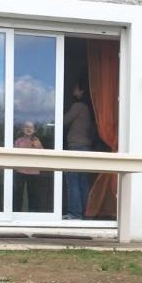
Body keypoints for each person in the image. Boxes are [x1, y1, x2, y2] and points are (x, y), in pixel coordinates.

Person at [62, 80, 94, 219]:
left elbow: (63, 121)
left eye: (75, 87)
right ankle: (86, 213)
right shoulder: (88, 108)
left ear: (81, 91)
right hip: (85, 147)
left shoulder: (78, 106)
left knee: (73, 181)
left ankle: (75, 213)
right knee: (82, 182)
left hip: (76, 147)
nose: (73, 89)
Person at [13, 120, 45, 212]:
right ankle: (17, 212)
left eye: (31, 127)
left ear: (34, 130)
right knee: (18, 194)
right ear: (23, 129)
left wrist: (38, 146)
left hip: (34, 171)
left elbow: (43, 154)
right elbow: (14, 155)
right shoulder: (18, 141)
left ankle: (33, 214)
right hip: (20, 170)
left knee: (33, 194)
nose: (28, 129)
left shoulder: (37, 141)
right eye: (26, 127)